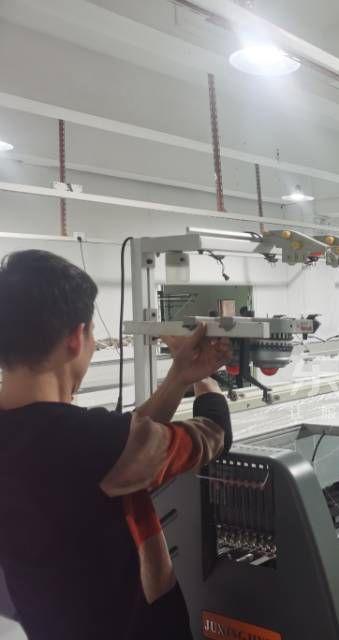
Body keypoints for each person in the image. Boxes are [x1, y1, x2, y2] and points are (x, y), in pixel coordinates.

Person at [0, 250, 232, 639]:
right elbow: (214, 434)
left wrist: (179, 377)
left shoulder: (67, 437)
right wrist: (207, 383)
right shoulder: (89, 442)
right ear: (76, 338)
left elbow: (122, 443)